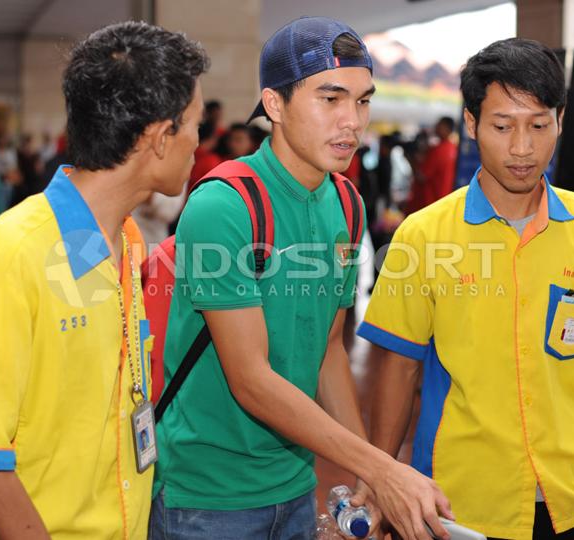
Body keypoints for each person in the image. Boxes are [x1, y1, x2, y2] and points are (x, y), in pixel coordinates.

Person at [151, 17, 452, 540]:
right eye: (330, 99)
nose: (352, 122)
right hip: (206, 499)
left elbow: (329, 350)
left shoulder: (346, 204)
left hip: (294, 486)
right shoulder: (224, 204)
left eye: (362, 101)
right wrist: (381, 467)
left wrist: (366, 476)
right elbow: (251, 379)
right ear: (274, 105)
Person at [0, 21, 208, 539]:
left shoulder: (125, 244)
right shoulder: (8, 254)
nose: (199, 142)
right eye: (193, 124)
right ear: (158, 137)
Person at [358, 38, 574, 539]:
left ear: (560, 120)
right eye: (502, 126)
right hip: (461, 501)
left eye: (538, 125)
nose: (522, 148)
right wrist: (383, 478)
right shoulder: (423, 237)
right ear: (471, 124)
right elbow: (398, 369)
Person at [408, 116, 457, 213]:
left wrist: (412, 161)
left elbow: (422, 176)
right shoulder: (453, 148)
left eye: (439, 125)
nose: (436, 127)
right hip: (444, 201)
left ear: (447, 128)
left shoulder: (437, 150)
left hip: (430, 202)